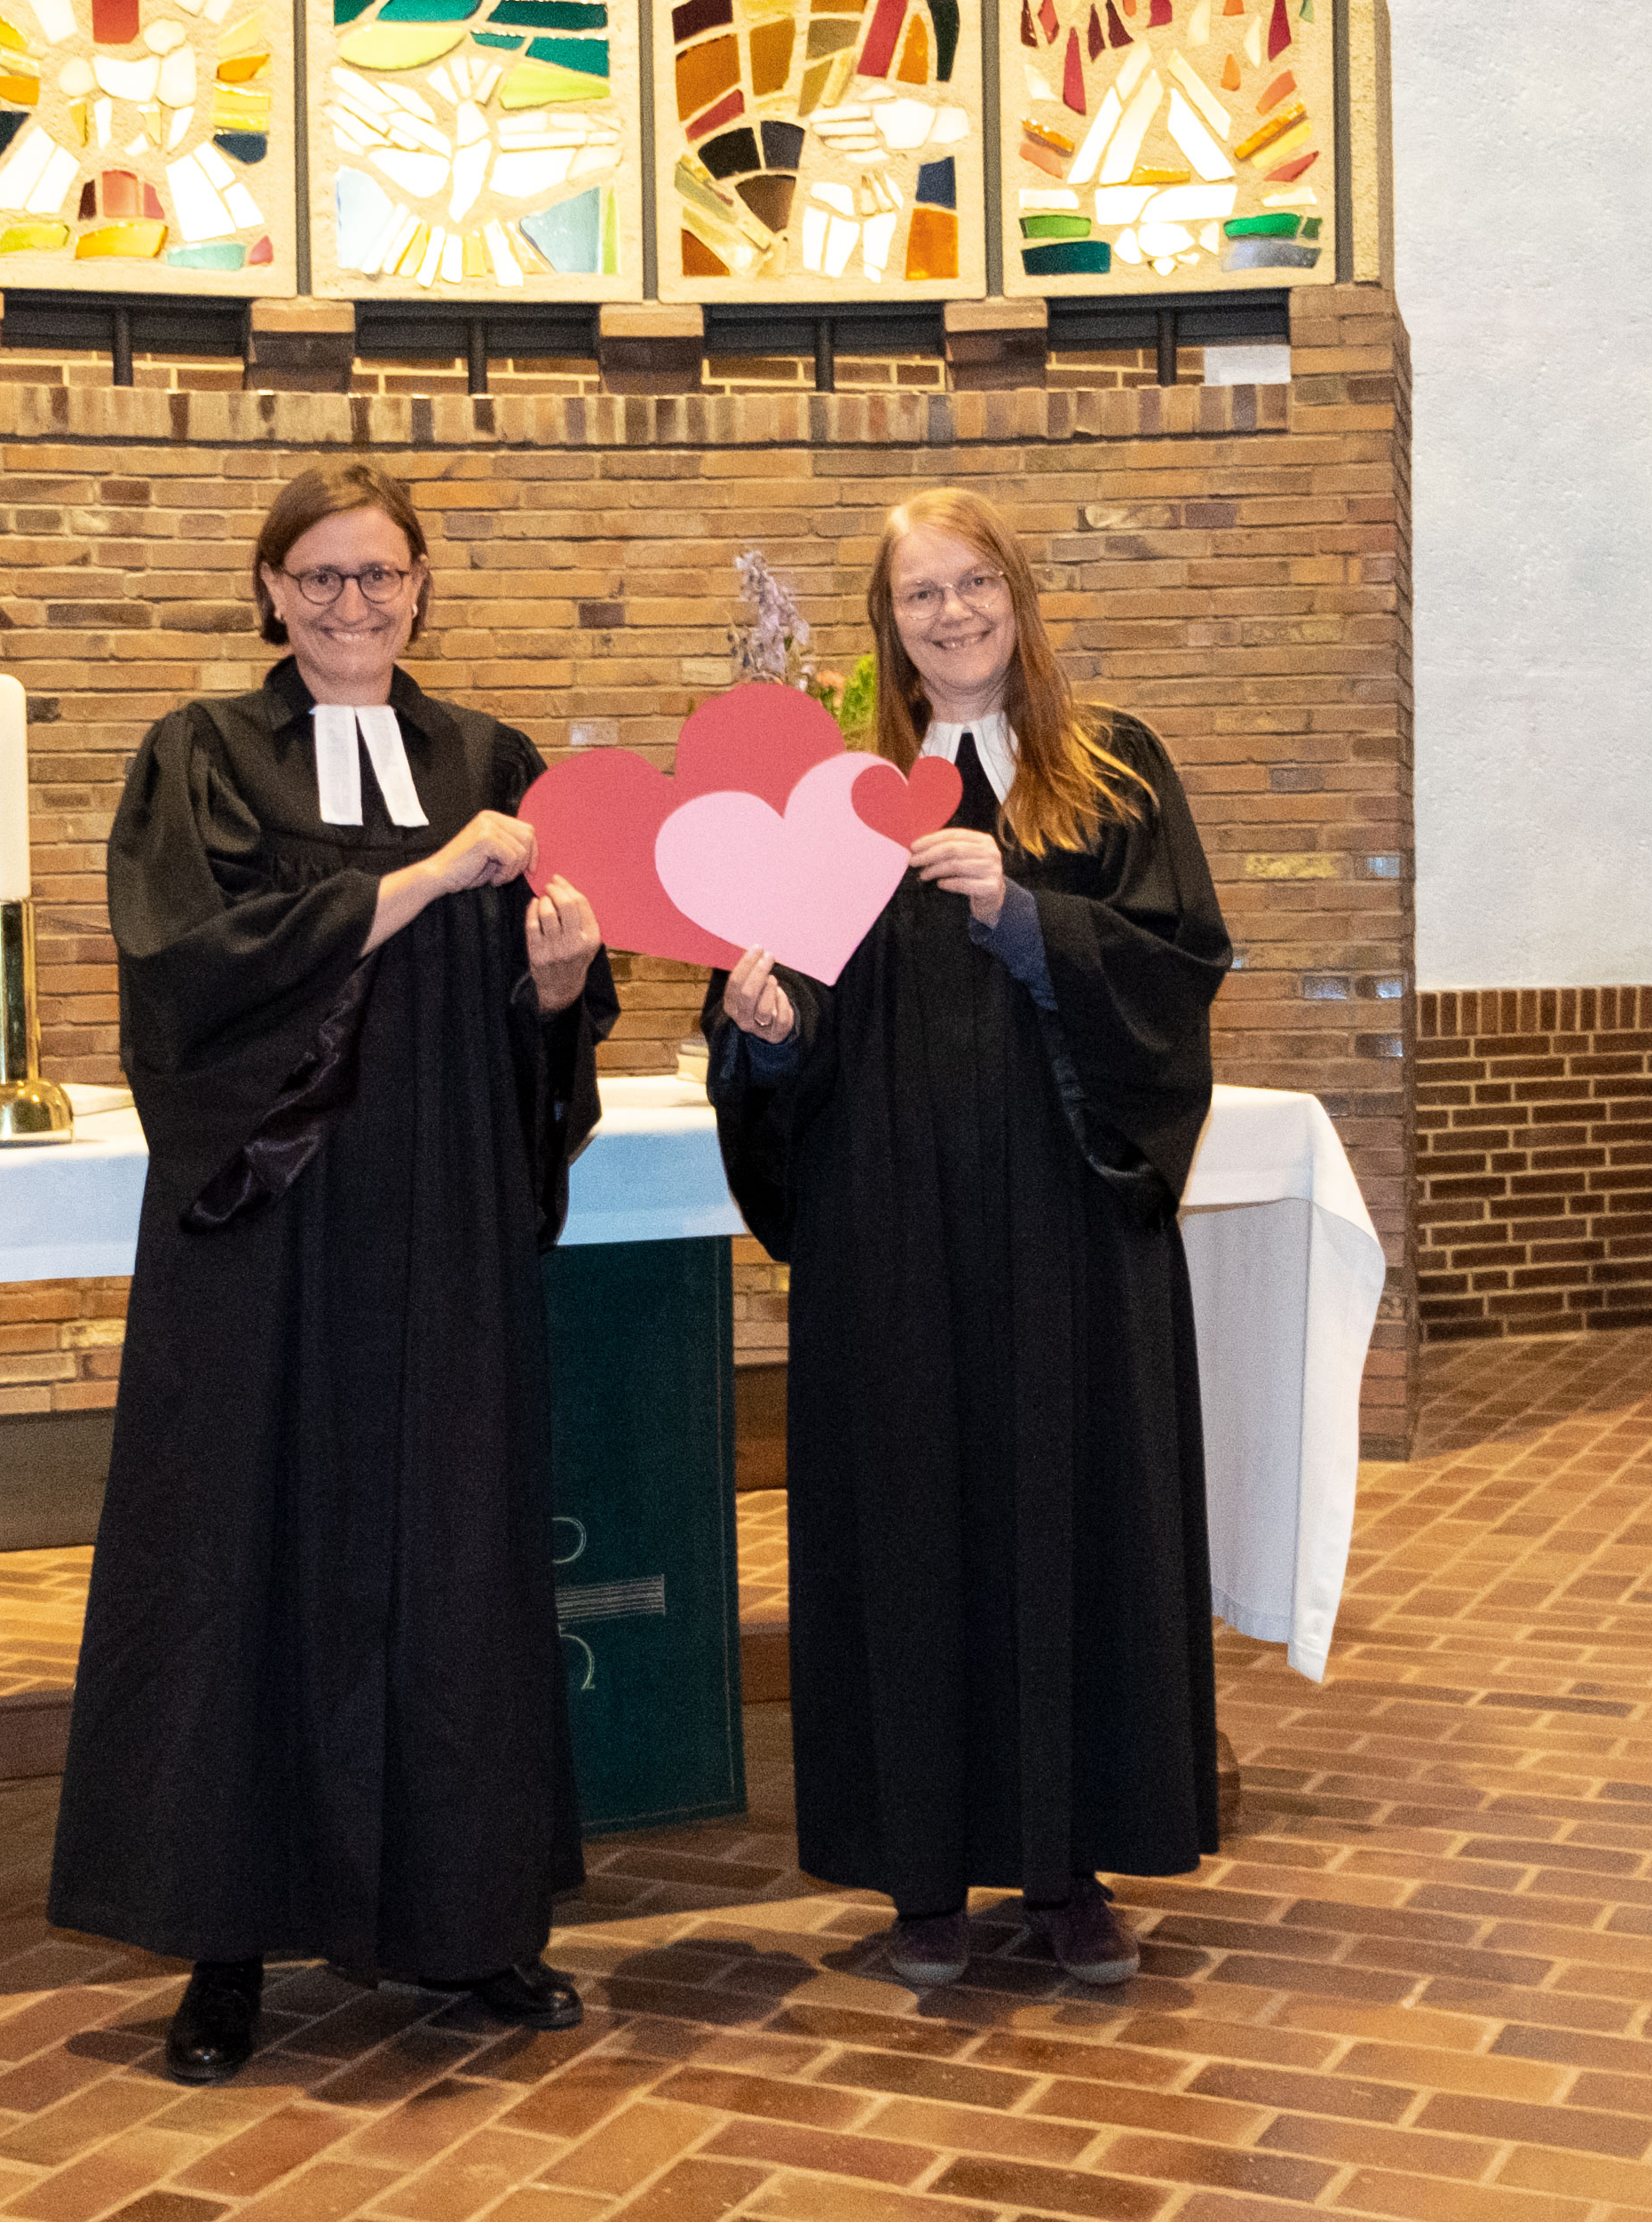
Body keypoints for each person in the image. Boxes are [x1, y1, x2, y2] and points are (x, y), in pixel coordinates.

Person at [49, 461, 615, 2083]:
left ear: (422, 587)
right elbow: (185, 977)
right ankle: (226, 1946)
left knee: (457, 1547)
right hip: (271, 1226)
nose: (352, 606)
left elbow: (543, 1025)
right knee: (246, 1549)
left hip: (441, 1219)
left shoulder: (490, 759)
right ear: (273, 594)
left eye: (379, 577)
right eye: (320, 579)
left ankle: (474, 1923)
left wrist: (561, 982)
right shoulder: (200, 758)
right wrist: (426, 882)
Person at [705, 487, 1231, 1988]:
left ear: (1019, 593)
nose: (950, 614)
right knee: (910, 1527)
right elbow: (785, 1014)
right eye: (919, 593)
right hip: (891, 1234)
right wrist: (762, 1030)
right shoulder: (838, 797)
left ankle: (1070, 1872)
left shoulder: (1114, 768)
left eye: (973, 582)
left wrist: (1026, 914)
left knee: (1071, 1516)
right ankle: (920, 1875)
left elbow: (1180, 972)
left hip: (1064, 1217)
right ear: (887, 624)